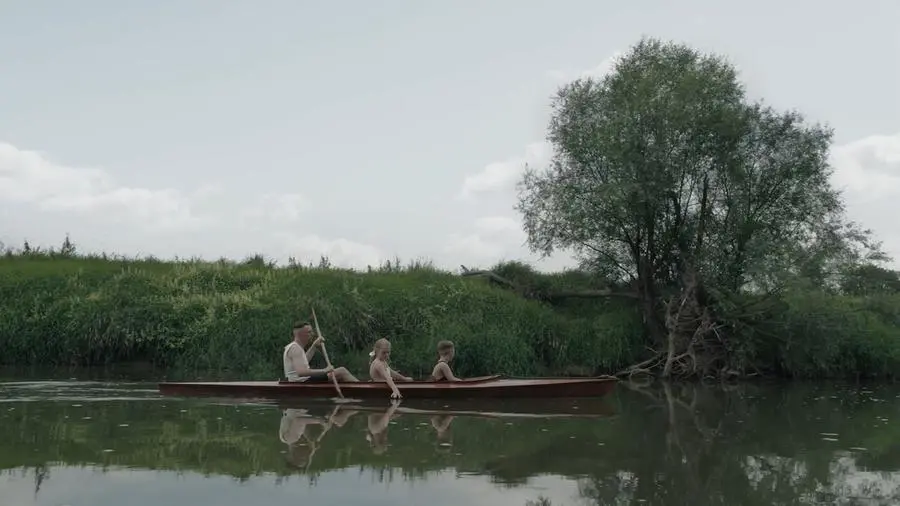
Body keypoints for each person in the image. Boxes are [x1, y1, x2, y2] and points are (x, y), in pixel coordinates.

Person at [283, 321, 359, 383]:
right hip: (303, 381)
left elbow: (304, 361)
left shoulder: (295, 347)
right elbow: (301, 372)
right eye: (309, 332)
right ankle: (361, 388)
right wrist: (325, 370)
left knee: (338, 376)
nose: (312, 334)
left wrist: (314, 346)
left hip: (302, 380)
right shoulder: (295, 348)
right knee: (341, 371)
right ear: (300, 334)